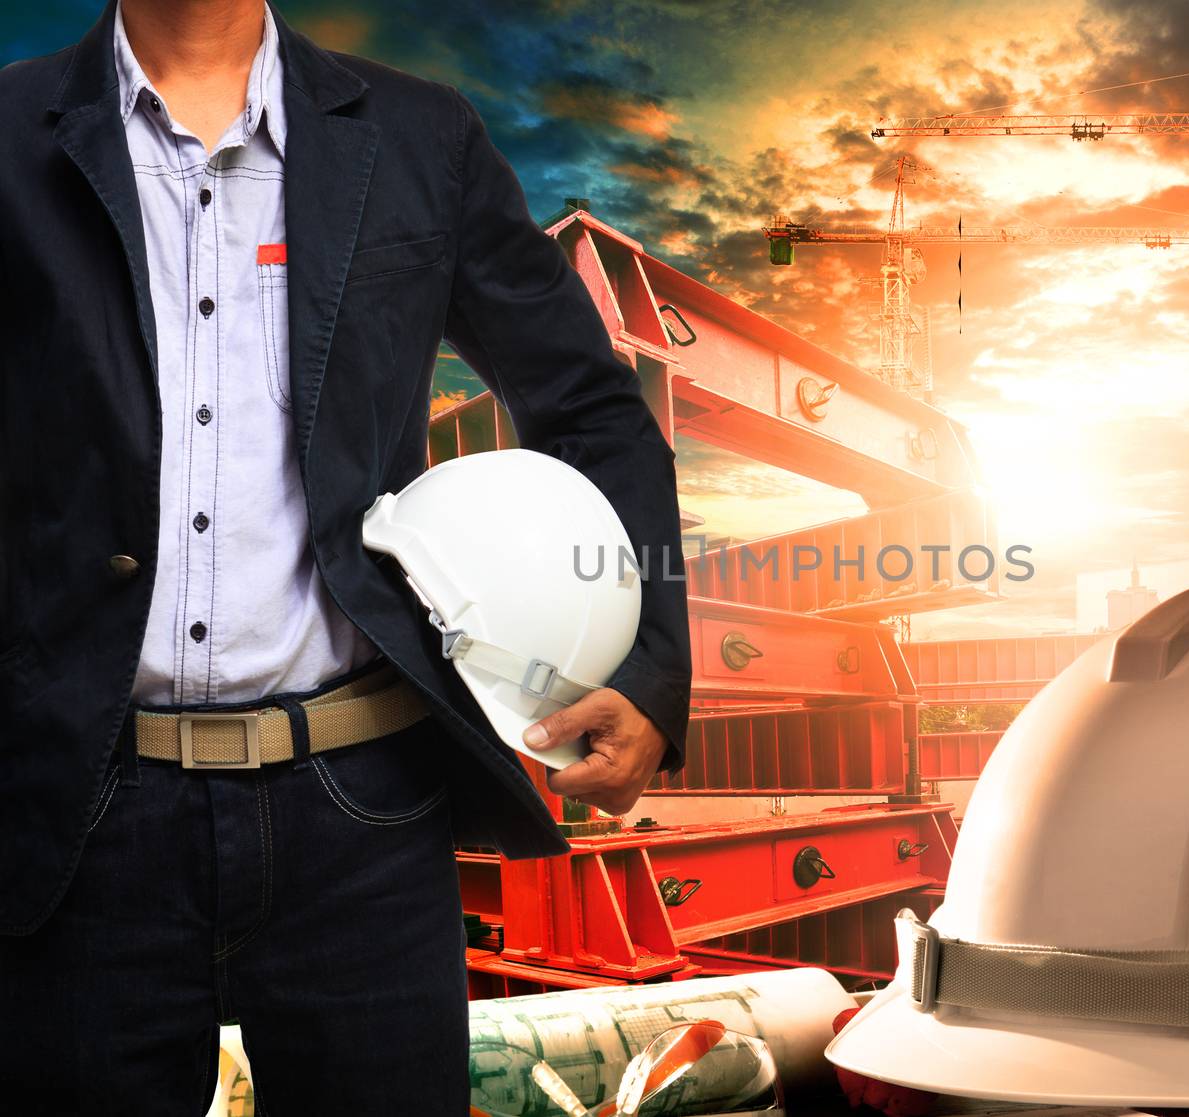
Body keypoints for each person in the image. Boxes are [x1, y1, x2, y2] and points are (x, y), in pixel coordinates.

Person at [0, 0, 692, 1112]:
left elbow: (590, 408)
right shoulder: (10, 128)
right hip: (79, 813)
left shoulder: (424, 138)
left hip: (361, 809)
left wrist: (649, 663)